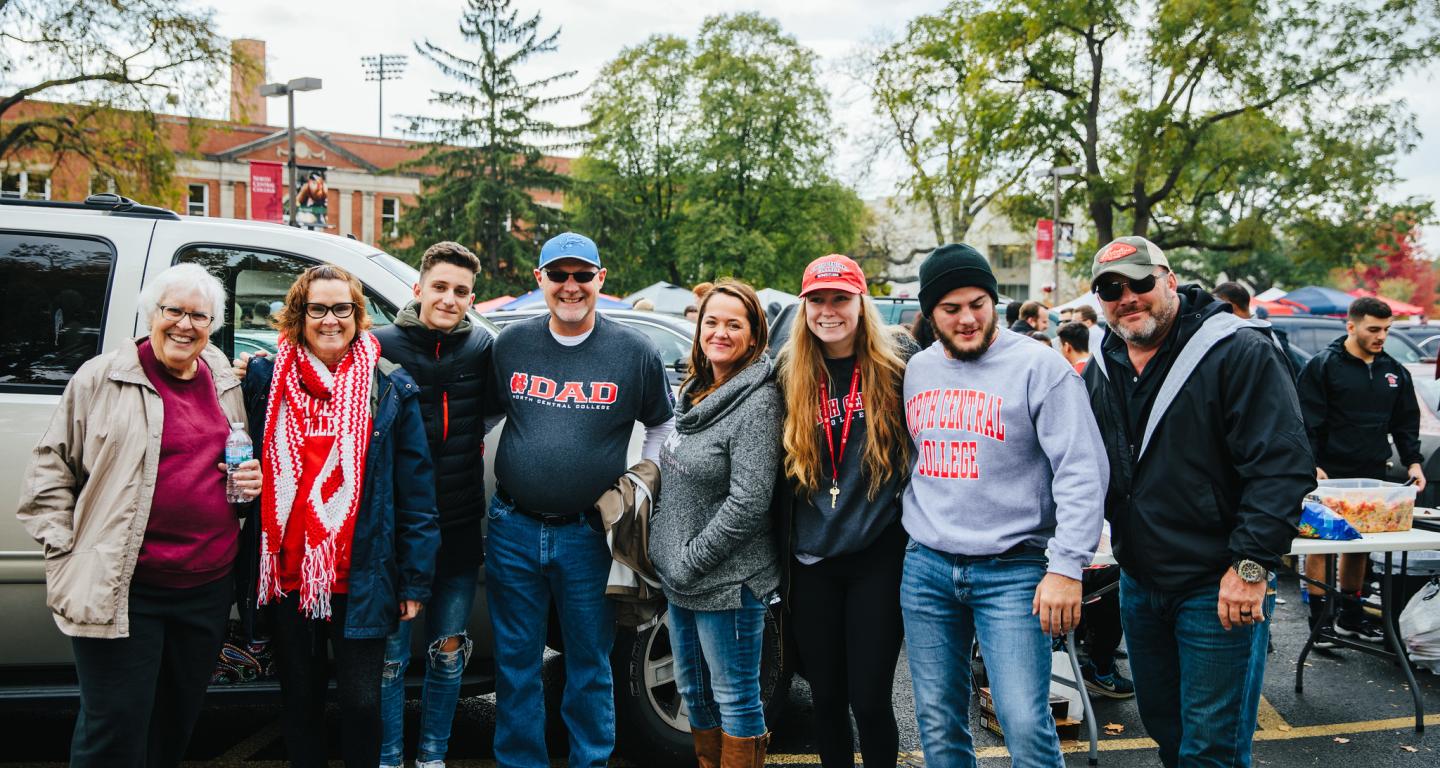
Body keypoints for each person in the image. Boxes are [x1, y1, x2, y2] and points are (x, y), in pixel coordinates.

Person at [18, 263, 262, 767]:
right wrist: (69, 550)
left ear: (212, 323)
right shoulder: (103, 378)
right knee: (114, 734)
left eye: (199, 315)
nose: (185, 325)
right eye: (174, 311)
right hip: (127, 588)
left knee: (174, 726)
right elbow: (48, 471)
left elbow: (232, 465)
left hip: (205, 590)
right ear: (152, 313)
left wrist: (249, 487)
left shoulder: (222, 378)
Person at [1082, 236, 1313, 767]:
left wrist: (1250, 566)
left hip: (1218, 584)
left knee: (1212, 750)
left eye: (1140, 282)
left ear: (1168, 280)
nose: (1128, 296)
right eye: (1111, 288)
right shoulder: (1106, 359)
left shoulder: (1237, 349)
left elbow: (1283, 467)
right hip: (1140, 583)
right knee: (1168, 733)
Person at [902, 244, 1108, 768]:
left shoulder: (1040, 368)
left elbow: (1082, 471)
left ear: (995, 300)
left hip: (1013, 570)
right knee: (937, 721)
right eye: (951, 309)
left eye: (978, 303)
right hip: (927, 568)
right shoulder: (917, 371)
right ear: (931, 313)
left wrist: (1066, 567)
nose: (968, 318)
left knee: (1023, 721)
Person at [485, 232, 675, 768]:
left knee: (590, 664)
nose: (571, 287)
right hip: (513, 528)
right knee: (516, 664)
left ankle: (590, 760)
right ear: (539, 280)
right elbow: (486, 414)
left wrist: (643, 481)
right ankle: (521, 762)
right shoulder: (511, 345)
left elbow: (663, 423)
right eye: (559, 275)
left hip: (588, 536)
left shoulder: (633, 351)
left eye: (582, 275)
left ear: (601, 280)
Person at [241, 264, 440, 768]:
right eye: (318, 309)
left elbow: (416, 492)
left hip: (362, 577)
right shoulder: (266, 378)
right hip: (287, 575)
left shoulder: (389, 387)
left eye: (342, 308)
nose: (330, 320)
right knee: (299, 702)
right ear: (298, 315)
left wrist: (414, 581)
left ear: (357, 314)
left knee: (360, 704)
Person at [774, 255, 916, 768]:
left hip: (876, 556)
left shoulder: (897, 364)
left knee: (871, 699)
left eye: (840, 298)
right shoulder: (787, 369)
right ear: (804, 305)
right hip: (811, 561)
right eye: (818, 300)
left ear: (861, 302)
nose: (828, 310)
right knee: (827, 700)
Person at [651, 279, 782, 768]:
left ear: (754, 335)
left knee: (735, 696)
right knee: (693, 691)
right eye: (711, 322)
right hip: (682, 579)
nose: (720, 332)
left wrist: (691, 560)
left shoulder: (757, 402)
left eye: (734, 324)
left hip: (728, 582)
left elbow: (749, 503)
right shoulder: (697, 390)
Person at [374, 242, 494, 768]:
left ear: (472, 297)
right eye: (440, 287)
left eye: (461, 291)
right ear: (418, 288)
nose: (449, 299)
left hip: (461, 522)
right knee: (391, 656)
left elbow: (494, 412)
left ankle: (432, 756)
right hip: (395, 528)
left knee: (448, 648)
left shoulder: (482, 349)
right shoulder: (378, 345)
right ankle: (387, 754)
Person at [1296, 296, 1424, 644]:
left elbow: (1405, 422)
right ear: (1351, 326)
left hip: (1371, 471)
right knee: (1320, 544)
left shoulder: (1394, 371)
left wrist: (1413, 460)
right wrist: (1312, 463)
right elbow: (1306, 421)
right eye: (1373, 329)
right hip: (1328, 473)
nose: (1381, 336)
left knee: (1359, 545)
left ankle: (1349, 618)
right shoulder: (1324, 366)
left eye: (1385, 329)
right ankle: (1319, 620)